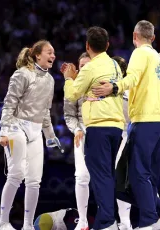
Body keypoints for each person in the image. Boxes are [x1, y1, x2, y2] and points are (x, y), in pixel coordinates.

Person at [91, 20, 160, 230]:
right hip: (157, 123)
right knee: (146, 176)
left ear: (134, 36)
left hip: (145, 121)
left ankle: (150, 221)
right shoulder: (159, 60)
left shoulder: (140, 54)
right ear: (153, 38)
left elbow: (131, 79)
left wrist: (113, 87)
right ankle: (159, 218)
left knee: (137, 175)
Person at [62, 26, 125, 230]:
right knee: (108, 176)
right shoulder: (115, 65)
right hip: (117, 128)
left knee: (100, 178)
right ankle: (110, 219)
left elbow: (72, 94)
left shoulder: (89, 68)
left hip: (98, 127)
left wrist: (69, 78)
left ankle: (107, 222)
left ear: (87, 46)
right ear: (107, 45)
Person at [0, 40, 60, 230]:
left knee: (34, 180)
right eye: (49, 52)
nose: (53, 56)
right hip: (16, 126)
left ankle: (27, 225)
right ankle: (3, 222)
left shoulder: (50, 80)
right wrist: (4, 131)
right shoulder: (22, 74)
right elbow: (9, 103)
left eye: (54, 53)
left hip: (35, 130)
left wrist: (50, 134)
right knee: (16, 174)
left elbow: (46, 111)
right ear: (37, 55)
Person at [63, 52, 91, 230]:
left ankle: (120, 221)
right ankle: (83, 220)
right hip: (82, 132)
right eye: (82, 66)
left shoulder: (104, 81)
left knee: (112, 178)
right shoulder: (73, 86)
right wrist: (77, 129)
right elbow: (68, 115)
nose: (85, 69)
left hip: (103, 131)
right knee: (81, 176)